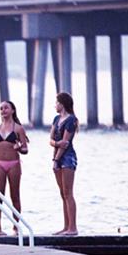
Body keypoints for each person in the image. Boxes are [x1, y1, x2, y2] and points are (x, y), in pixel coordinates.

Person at [0, 101, 29, 236]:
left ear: (13, 110)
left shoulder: (18, 128)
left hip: (14, 163)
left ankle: (15, 227)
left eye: (6, 108)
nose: (3, 110)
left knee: (15, 195)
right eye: (1, 108)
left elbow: (26, 149)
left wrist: (20, 148)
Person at [50, 92, 79, 236]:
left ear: (62, 103)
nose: (55, 105)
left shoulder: (71, 120)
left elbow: (65, 143)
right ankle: (66, 226)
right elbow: (51, 140)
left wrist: (56, 159)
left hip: (67, 158)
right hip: (56, 156)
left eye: (56, 102)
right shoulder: (56, 119)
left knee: (68, 193)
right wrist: (56, 143)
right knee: (62, 193)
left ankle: (73, 227)